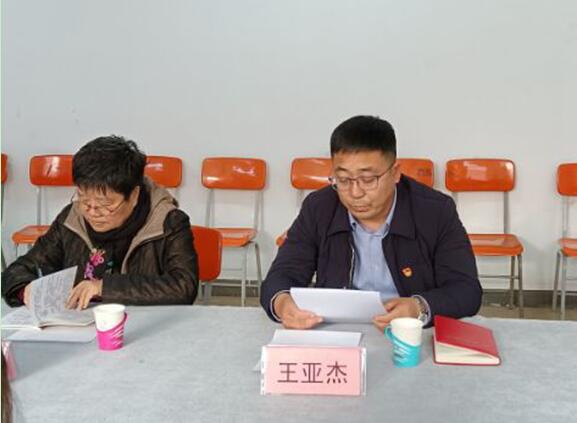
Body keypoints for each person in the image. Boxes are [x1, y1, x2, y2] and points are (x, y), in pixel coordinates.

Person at [260, 115, 482, 331]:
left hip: (408, 334)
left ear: (395, 173)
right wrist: (282, 303)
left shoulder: (435, 211)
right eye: (343, 179)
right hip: (335, 331)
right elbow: (282, 274)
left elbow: (466, 290)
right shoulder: (318, 208)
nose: (355, 193)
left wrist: (419, 307)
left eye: (368, 179)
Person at [2, 136, 198, 309]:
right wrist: (25, 289)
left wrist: (103, 287)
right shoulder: (71, 218)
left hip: (147, 328)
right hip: (79, 328)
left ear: (134, 195)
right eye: (83, 198)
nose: (92, 212)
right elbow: (19, 270)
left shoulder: (168, 222)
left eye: (105, 204)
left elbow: (183, 287)